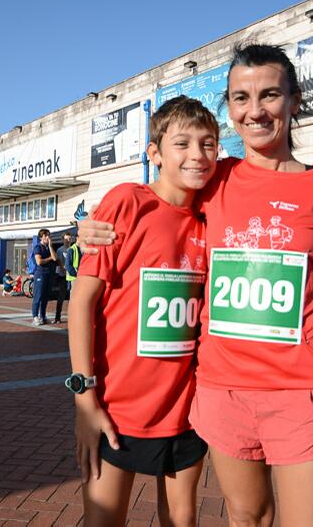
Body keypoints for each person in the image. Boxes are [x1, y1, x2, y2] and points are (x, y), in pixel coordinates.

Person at [79, 43, 313, 526]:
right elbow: (157, 204)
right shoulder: (214, 179)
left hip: (305, 391)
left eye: (270, 95)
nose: (254, 111)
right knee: (246, 517)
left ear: (294, 101)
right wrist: (86, 230)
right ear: (230, 108)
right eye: (240, 98)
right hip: (222, 391)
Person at [68, 96, 219, 526]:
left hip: (186, 410)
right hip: (117, 409)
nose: (197, 154)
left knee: (182, 520)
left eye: (208, 144)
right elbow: (82, 302)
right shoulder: (128, 203)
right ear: (154, 153)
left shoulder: (211, 216)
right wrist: (84, 398)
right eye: (182, 143)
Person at [31, 228, 57, 325]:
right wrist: (49, 258)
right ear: (41, 237)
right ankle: (35, 317)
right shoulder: (38, 247)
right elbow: (39, 261)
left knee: (45, 297)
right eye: (46, 236)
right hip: (40, 274)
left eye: (49, 235)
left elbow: (54, 258)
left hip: (48, 274)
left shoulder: (49, 247)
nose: (48, 237)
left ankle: (43, 316)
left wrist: (50, 246)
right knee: (38, 296)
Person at [53, 232, 74, 324]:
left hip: (72, 276)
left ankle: (73, 317)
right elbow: (58, 263)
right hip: (63, 276)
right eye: (66, 239)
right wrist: (63, 269)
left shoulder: (74, 249)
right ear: (63, 240)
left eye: (69, 238)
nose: (68, 240)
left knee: (72, 297)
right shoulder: (60, 250)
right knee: (61, 297)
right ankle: (57, 317)